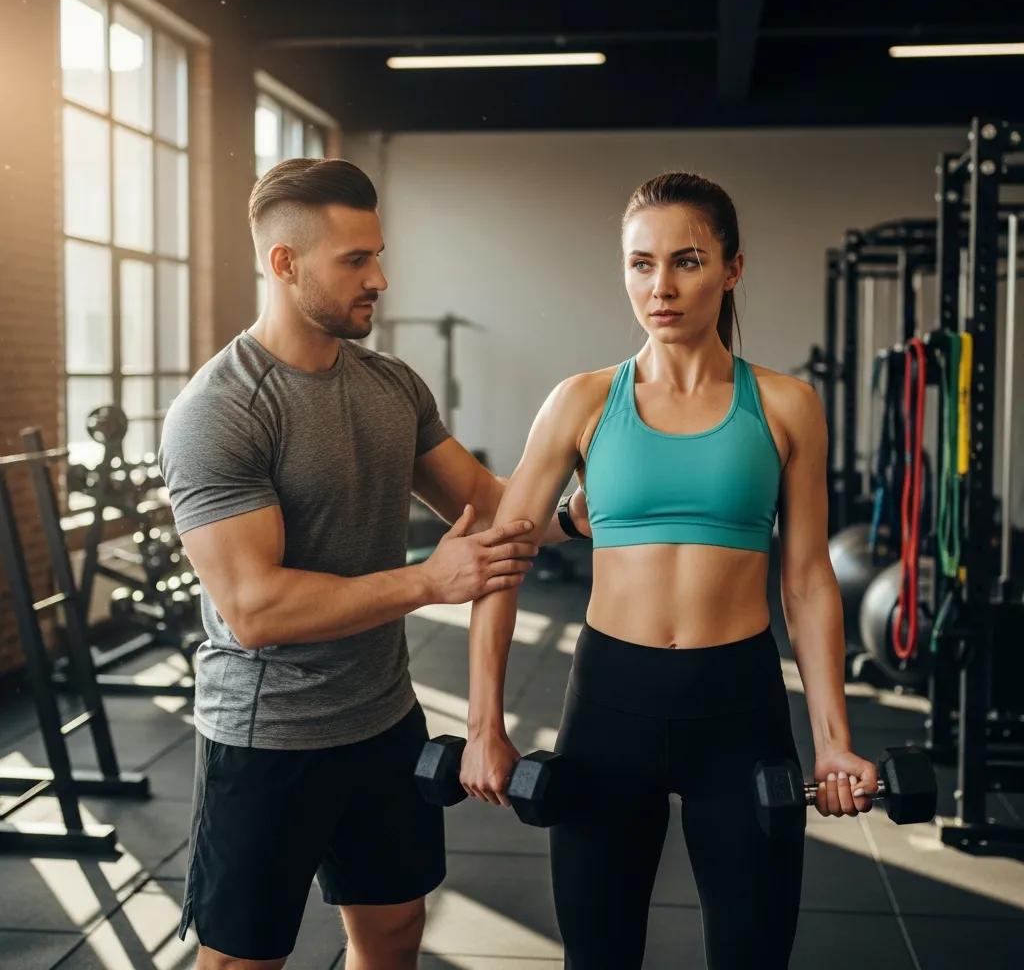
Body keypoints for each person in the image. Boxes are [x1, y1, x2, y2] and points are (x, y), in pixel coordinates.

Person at [158, 157, 589, 970]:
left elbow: (493, 506)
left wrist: (575, 515)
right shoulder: (221, 411)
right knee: (241, 961)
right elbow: (257, 610)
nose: (381, 278)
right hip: (269, 737)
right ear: (285, 265)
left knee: (392, 931)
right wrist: (432, 580)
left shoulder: (391, 385)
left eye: (378, 254)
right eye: (355, 260)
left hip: (383, 718)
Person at [459, 171, 879, 969]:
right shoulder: (580, 402)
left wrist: (833, 741)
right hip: (611, 708)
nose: (661, 286)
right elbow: (499, 561)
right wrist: (485, 729)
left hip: (741, 707)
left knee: (753, 955)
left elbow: (808, 580)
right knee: (599, 955)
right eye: (640, 263)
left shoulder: (787, 406)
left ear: (732, 269)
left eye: (686, 261)